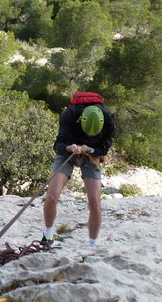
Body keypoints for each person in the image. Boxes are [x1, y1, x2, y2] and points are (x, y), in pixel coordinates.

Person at [41, 93, 115, 248]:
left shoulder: (108, 120)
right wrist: (69, 147)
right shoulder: (70, 114)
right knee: (52, 196)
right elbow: (58, 144)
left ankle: (92, 244)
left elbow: (105, 147)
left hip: (91, 154)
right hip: (68, 153)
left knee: (95, 203)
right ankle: (48, 235)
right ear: (82, 121)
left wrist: (92, 149)